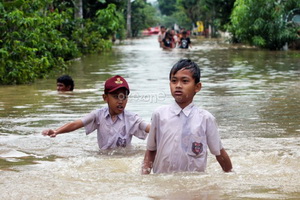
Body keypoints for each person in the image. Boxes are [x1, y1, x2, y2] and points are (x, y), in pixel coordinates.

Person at [142, 59, 232, 174]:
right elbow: (150, 151)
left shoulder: (205, 119)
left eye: (185, 81)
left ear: (197, 87)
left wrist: (231, 176)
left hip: (194, 184)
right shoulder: (159, 115)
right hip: (163, 182)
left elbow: (219, 153)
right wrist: (144, 178)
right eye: (174, 81)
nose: (178, 86)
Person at [43, 75, 150, 150]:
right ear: (105, 98)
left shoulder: (132, 118)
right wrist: (56, 131)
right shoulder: (98, 115)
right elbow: (76, 123)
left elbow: (149, 127)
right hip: (103, 156)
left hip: (123, 157)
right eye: (116, 96)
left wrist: (163, 128)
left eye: (124, 97)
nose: (120, 101)